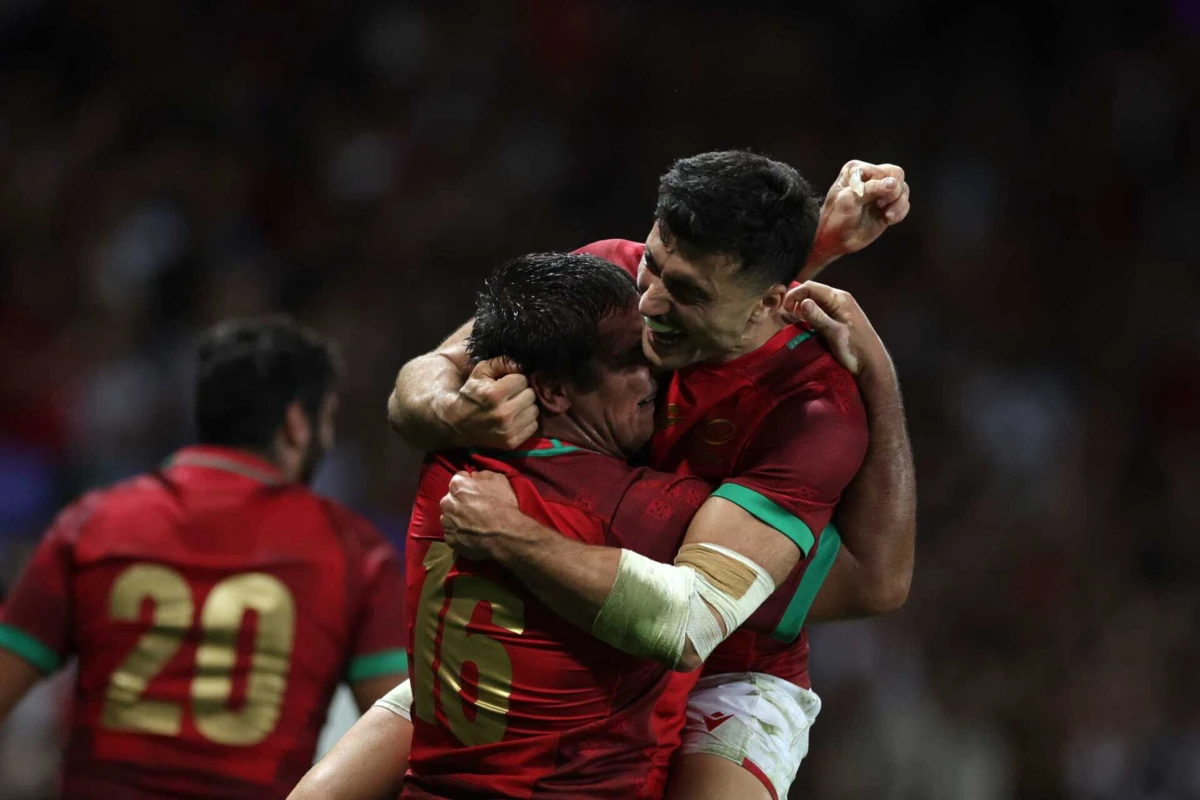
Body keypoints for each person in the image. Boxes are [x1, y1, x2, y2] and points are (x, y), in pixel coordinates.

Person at [386, 150, 917, 800]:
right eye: (655, 263)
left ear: (770, 303)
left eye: (687, 292)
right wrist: (450, 408)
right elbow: (415, 388)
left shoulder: (813, 408)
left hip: (730, 659)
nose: (650, 304)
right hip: (565, 609)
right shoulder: (611, 276)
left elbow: (695, 620)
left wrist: (880, 377)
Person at [0, 317, 409, 800]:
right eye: (326, 421)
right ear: (298, 424)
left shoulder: (91, 523)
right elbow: (395, 735)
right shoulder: (354, 552)